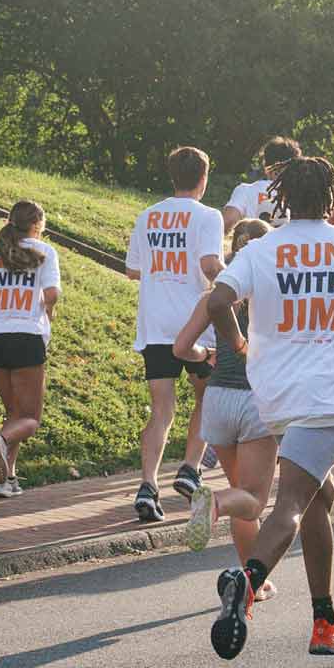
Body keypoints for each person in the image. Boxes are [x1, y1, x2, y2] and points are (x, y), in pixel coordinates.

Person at [194, 157, 334, 661]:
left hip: (273, 395)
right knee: (290, 506)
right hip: (325, 396)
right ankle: (245, 582)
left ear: (282, 197)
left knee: (319, 498)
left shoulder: (262, 249)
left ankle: (325, 621)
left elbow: (217, 302)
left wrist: (238, 341)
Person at [178, 219, 281, 606]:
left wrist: (206, 354)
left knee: (243, 493)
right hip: (258, 398)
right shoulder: (273, 294)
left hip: (217, 398)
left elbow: (181, 348)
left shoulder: (213, 297)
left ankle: (255, 582)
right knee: (252, 499)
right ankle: (214, 503)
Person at [123, 146, 223, 523]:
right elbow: (210, 264)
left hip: (155, 324)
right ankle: (190, 468)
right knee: (207, 398)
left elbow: (133, 270)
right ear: (204, 176)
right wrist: (235, 284)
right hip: (197, 323)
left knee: (161, 409)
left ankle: (148, 485)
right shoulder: (208, 216)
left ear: (171, 175)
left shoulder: (147, 216)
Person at [0, 200, 61, 499]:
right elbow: (52, 293)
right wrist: (47, 310)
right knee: (30, 419)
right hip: (26, 337)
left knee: (15, 412)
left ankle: (6, 480)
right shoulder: (45, 251)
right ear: (38, 226)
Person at [223, 137, 301, 232]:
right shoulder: (302, 195)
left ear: (266, 166)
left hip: (253, 245)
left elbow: (228, 221)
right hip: (288, 246)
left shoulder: (245, 190)